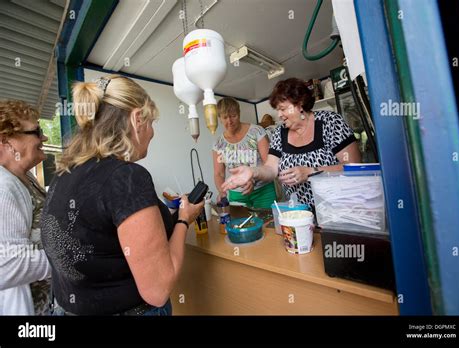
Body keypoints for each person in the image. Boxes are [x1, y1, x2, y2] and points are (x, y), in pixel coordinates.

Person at [40, 75, 204, 315]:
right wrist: (183, 220)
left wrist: (168, 216)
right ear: (137, 119)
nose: (152, 133)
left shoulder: (64, 174)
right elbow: (158, 290)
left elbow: (103, 236)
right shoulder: (126, 177)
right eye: (151, 123)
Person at [221, 78, 361, 212]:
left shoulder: (330, 123)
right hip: (298, 213)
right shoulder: (280, 133)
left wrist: (311, 172)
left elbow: (353, 167)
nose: (279, 115)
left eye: (283, 109)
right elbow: (271, 169)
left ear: (300, 104)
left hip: (335, 209)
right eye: (277, 110)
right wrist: (253, 172)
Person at [0, 100, 51, 315]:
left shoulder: (24, 177)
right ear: (7, 141)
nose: (44, 138)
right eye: (37, 131)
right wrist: (64, 258)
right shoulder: (3, 187)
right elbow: (7, 264)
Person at [212, 97, 276, 209]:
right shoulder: (219, 144)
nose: (229, 121)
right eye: (225, 117)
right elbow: (219, 174)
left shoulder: (256, 132)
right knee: (240, 225)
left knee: (268, 225)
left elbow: (269, 164)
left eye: (233, 116)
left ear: (239, 113)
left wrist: (252, 179)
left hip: (263, 191)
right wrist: (222, 191)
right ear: (220, 118)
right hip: (237, 195)